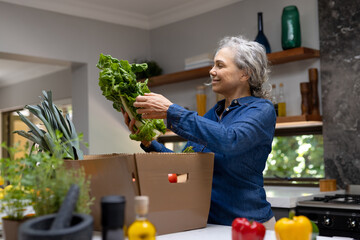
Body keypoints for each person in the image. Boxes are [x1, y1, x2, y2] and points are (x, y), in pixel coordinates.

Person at [122, 35, 277, 229]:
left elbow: (230, 140)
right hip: (210, 225)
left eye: (220, 65)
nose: (212, 71)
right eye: (213, 65)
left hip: (252, 225)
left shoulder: (261, 110)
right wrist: (148, 142)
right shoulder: (212, 115)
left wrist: (171, 111)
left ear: (245, 73)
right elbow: (186, 170)